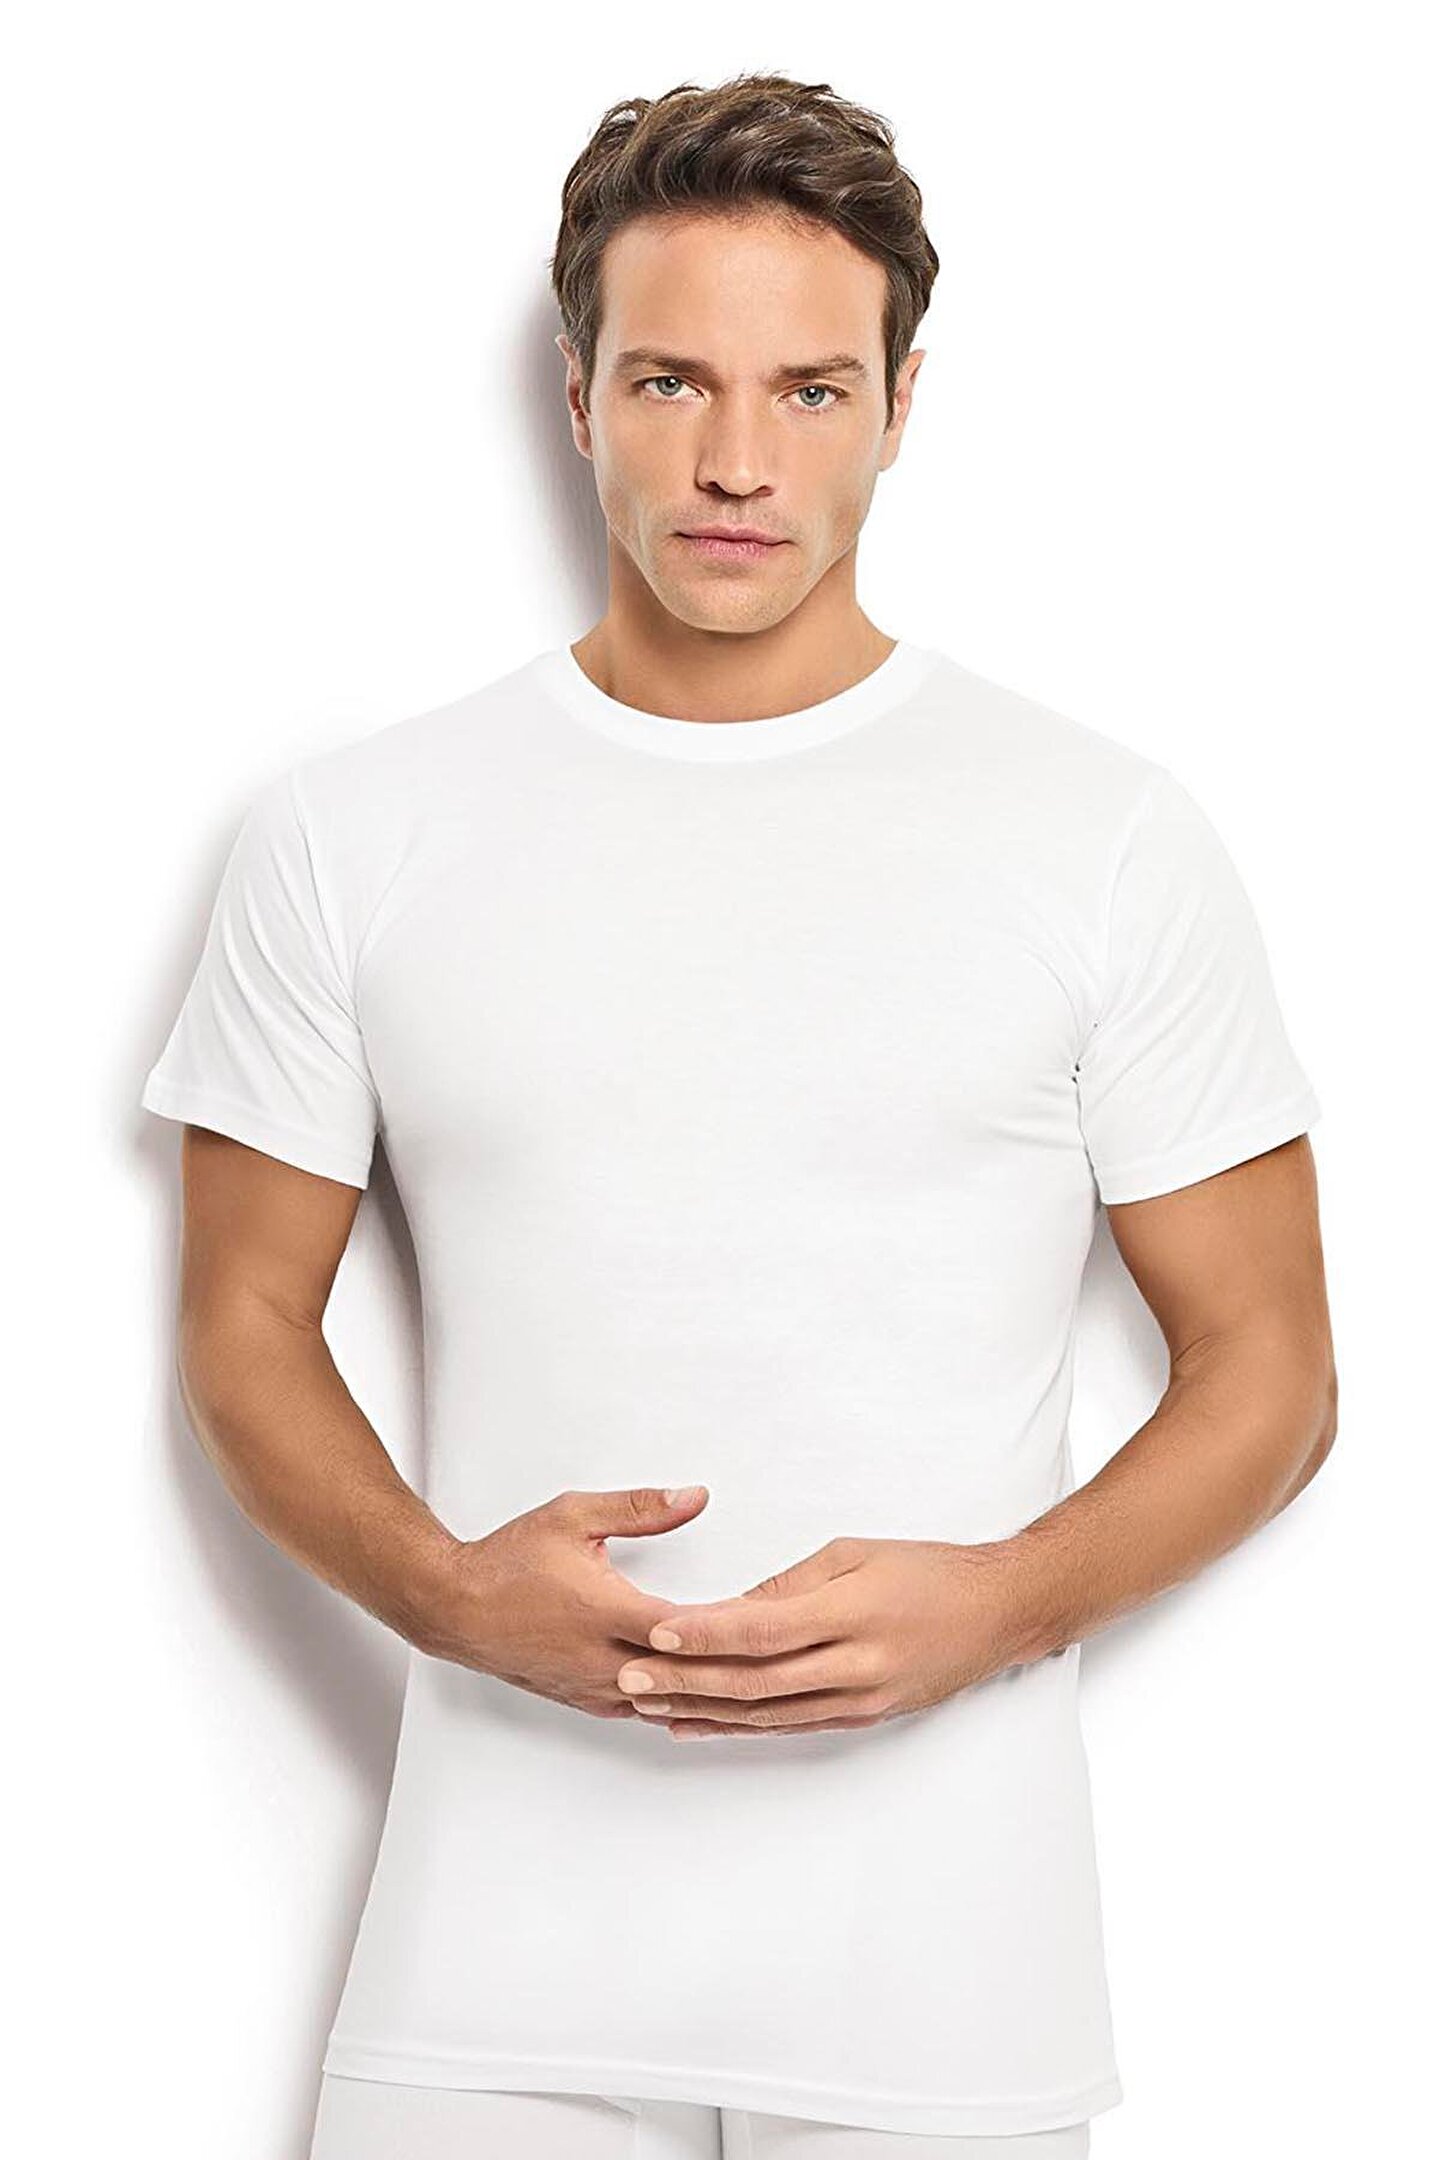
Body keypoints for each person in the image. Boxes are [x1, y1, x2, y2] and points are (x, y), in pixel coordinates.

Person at [139, 72, 1337, 2160]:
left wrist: (1004, 1601)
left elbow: (1277, 1373)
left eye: (810, 390)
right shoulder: (353, 834)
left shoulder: (1103, 838)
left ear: (900, 406)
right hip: (492, 1968)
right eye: (674, 379)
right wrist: (447, 1592)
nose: (735, 462)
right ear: (579, 393)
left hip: (941, 1978)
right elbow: (242, 1326)